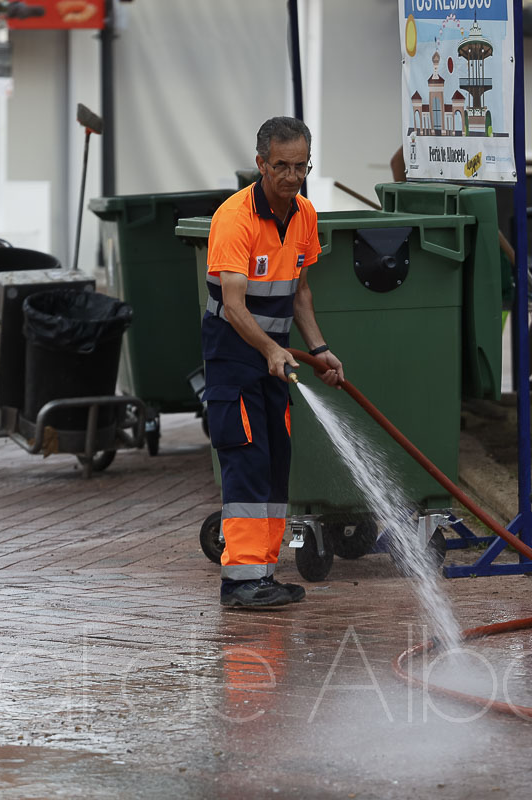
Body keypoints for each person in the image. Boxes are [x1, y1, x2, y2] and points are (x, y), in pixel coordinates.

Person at [203, 116, 345, 608]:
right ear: (260, 163)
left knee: (274, 463)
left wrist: (320, 349)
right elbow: (235, 306)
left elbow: (300, 291)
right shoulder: (234, 219)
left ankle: (263, 574)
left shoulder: (304, 215)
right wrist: (269, 349)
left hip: (274, 359)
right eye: (280, 165)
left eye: (300, 166)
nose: (291, 176)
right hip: (234, 360)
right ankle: (240, 583)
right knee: (245, 463)